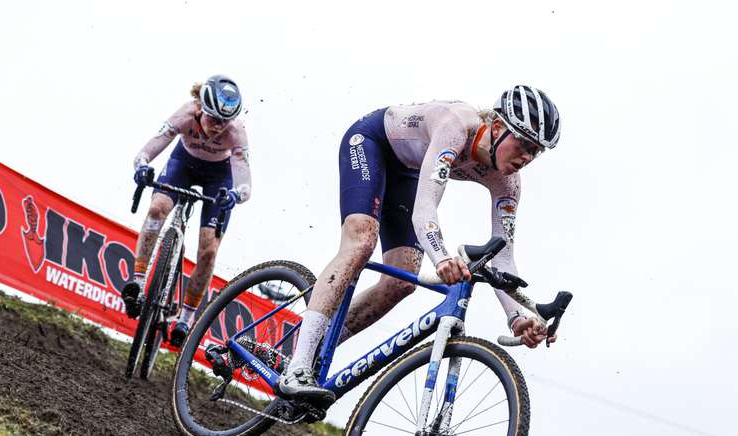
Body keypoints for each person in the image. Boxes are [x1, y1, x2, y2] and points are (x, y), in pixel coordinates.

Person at [276, 85, 561, 405]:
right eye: (522, 143)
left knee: (401, 281)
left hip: (409, 171)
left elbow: (503, 260)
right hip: (372, 143)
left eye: (536, 151)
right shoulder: (457, 127)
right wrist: (441, 258)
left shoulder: (508, 182)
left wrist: (518, 317)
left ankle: (308, 350)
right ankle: (297, 367)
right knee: (361, 241)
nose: (526, 157)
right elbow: (425, 208)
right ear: (496, 126)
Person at [123, 75, 251, 348]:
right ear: (200, 108)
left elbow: (244, 182)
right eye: (214, 119)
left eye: (224, 121)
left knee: (208, 250)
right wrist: (142, 167)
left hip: (219, 177)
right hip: (183, 164)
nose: (218, 127)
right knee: (158, 208)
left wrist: (235, 195)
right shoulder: (185, 114)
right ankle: (138, 281)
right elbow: (146, 151)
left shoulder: (236, 131)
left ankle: (187, 318)